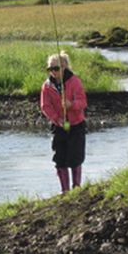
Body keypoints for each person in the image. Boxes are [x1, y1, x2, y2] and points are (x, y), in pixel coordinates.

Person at [40, 51, 87, 193]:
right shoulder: (47, 86)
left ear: (65, 67)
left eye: (56, 68)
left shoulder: (75, 81)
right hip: (59, 126)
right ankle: (65, 191)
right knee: (60, 158)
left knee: (75, 157)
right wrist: (57, 119)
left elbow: (83, 102)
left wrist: (71, 105)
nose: (53, 72)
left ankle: (77, 188)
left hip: (76, 125)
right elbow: (45, 106)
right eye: (50, 69)